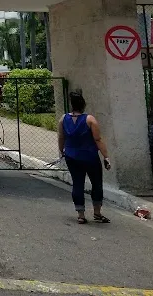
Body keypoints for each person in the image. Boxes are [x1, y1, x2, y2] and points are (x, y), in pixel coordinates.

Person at [57, 91, 111, 224]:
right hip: (90, 157)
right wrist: (106, 156)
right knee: (96, 183)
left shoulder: (63, 119)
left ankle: (81, 214)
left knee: (78, 183)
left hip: (71, 156)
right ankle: (97, 213)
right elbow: (97, 139)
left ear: (72, 105)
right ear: (83, 105)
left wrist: (62, 150)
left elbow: (61, 137)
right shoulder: (90, 119)